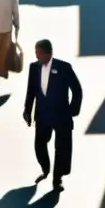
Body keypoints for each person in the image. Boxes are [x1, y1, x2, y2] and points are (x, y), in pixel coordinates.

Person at [24, 39, 82, 191]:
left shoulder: (64, 67)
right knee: (39, 144)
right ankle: (46, 167)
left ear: (47, 53)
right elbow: (31, 91)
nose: (36, 55)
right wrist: (27, 110)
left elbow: (77, 90)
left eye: (38, 52)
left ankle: (58, 179)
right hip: (42, 114)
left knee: (61, 148)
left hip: (61, 115)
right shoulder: (34, 67)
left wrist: (72, 110)